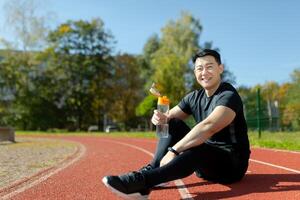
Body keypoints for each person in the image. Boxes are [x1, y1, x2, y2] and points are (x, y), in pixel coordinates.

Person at [102, 49, 251, 199]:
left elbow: (209, 126)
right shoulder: (193, 97)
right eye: (199, 68)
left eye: (209, 67)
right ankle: (153, 169)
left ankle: (143, 182)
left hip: (231, 166)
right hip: (204, 164)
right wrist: (159, 118)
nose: (204, 72)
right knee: (172, 123)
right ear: (194, 72)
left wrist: (174, 151)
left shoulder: (229, 95)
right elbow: (168, 117)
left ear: (220, 68)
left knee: (196, 149)